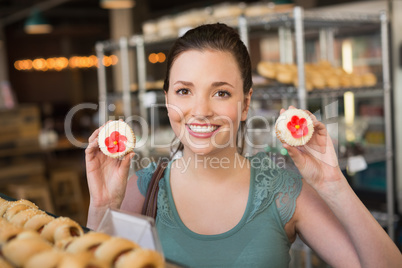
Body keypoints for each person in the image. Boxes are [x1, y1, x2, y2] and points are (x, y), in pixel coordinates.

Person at [85, 23, 402, 267]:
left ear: (246, 103)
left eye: (220, 92)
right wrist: (101, 207)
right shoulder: (140, 191)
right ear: (167, 100)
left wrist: (333, 185)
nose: (201, 110)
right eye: (184, 91)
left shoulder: (284, 192)